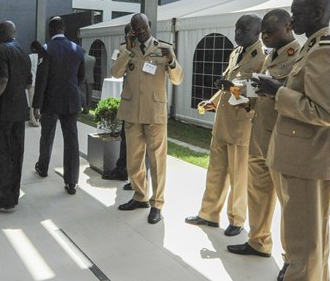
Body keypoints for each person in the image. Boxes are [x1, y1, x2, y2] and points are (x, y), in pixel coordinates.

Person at [251, 0, 330, 281]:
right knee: (314, 235)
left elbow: (323, 112)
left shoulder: (323, 51)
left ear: (319, 13)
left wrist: (277, 92)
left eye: (298, 13)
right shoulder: (317, 46)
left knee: (302, 241)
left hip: (308, 158)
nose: (292, 21)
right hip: (309, 156)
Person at [228, 9, 299, 271]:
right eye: (263, 33)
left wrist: (273, 90)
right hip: (259, 133)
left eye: (270, 32)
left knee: (287, 205)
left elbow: (293, 97)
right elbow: (263, 92)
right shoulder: (272, 55)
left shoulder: (299, 55)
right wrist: (243, 96)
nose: (265, 37)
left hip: (282, 139)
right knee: (257, 194)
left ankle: (291, 261)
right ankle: (258, 241)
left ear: (288, 27)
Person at [186, 14, 265, 236]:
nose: (237, 33)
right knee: (216, 171)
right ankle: (208, 214)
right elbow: (227, 84)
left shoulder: (262, 58)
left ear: (257, 33)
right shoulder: (236, 52)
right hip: (222, 123)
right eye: (237, 28)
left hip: (242, 127)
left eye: (243, 30)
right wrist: (212, 101)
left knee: (239, 177)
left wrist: (234, 88)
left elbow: (259, 91)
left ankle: (237, 220)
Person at [112, 13, 184, 225]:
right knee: (134, 158)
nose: (140, 31)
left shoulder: (164, 48)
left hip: (154, 113)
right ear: (131, 30)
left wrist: (171, 60)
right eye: (136, 28)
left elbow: (178, 79)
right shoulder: (127, 49)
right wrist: (127, 48)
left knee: (157, 160)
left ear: (149, 25)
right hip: (132, 111)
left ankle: (157, 203)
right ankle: (140, 195)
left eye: (143, 27)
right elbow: (115, 73)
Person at [0, 21, 33, 212]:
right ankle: (12, 195)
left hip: (2, 111)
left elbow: (2, 79)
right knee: (16, 153)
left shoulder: (0, 50)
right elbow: (28, 82)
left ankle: (3, 197)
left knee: (0, 154)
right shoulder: (23, 51)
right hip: (19, 109)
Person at [33, 16, 86, 194]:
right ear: (63, 29)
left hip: (50, 100)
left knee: (47, 135)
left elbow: (42, 79)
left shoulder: (47, 48)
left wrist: (36, 104)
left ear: (50, 31)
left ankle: (43, 167)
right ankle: (71, 182)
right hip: (71, 99)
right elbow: (81, 76)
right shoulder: (77, 49)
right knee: (71, 139)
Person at [102, 24, 133, 187]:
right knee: (125, 137)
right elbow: (116, 72)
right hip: (128, 99)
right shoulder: (124, 49)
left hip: (142, 102)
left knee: (137, 142)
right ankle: (122, 170)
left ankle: (133, 176)